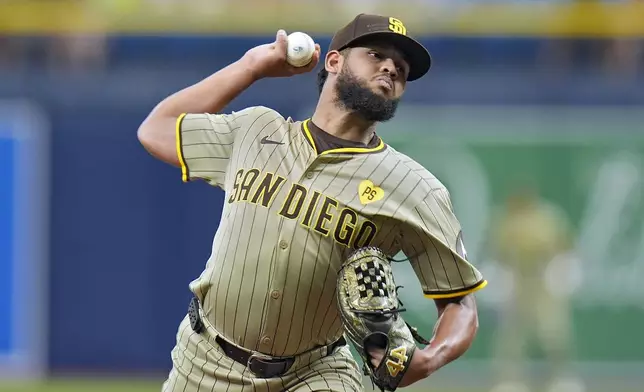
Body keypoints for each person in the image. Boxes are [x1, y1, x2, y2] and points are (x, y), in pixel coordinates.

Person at [138, 13, 487, 392]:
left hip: (316, 372)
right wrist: (251, 67)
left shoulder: (415, 188)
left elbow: (459, 303)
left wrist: (431, 357)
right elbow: (156, 130)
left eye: (401, 67)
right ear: (334, 61)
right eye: (376, 54)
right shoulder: (256, 130)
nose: (391, 67)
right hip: (205, 361)